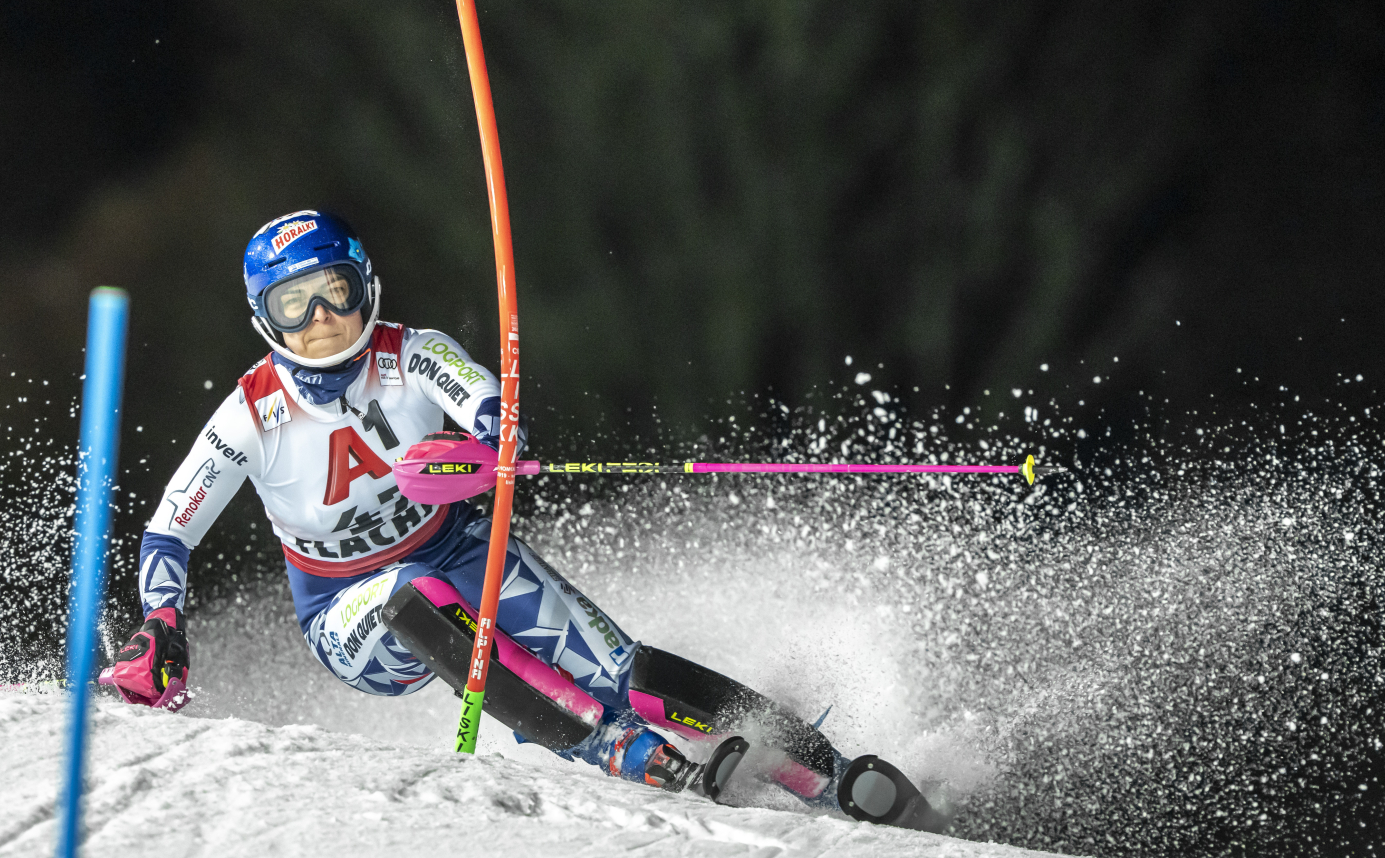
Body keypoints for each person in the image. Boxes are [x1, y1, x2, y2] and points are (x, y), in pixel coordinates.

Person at [103, 210, 935, 827]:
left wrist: (494, 439)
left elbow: (485, 400)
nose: (321, 321)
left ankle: (833, 773)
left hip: (465, 546)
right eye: (295, 307)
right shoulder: (250, 414)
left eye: (334, 294)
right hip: (348, 615)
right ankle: (609, 747)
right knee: (412, 593)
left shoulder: (411, 353)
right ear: (265, 320)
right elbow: (170, 527)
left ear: (366, 288)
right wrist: (164, 622)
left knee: (625, 669)